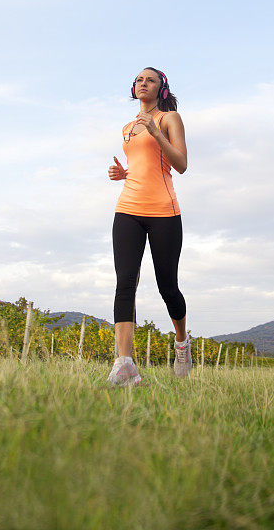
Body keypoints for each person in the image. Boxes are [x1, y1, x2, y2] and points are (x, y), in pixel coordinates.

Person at [107, 67, 192, 387]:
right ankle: (124, 365)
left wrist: (156, 133)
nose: (143, 83)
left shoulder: (170, 119)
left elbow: (180, 165)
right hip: (127, 208)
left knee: (167, 285)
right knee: (125, 282)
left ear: (162, 89)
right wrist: (123, 174)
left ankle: (182, 342)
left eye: (150, 80)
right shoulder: (128, 127)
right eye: (139, 80)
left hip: (164, 213)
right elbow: (144, 166)